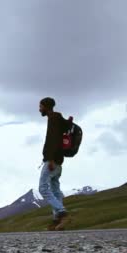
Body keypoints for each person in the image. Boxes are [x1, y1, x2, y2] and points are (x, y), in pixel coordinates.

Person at [38, 97, 70, 231]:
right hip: (59, 161)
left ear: (46, 106)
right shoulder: (59, 119)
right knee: (56, 190)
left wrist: (50, 159)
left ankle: (62, 213)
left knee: (43, 189)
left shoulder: (52, 119)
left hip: (52, 161)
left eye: (40, 106)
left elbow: (52, 139)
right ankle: (57, 220)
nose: (39, 109)